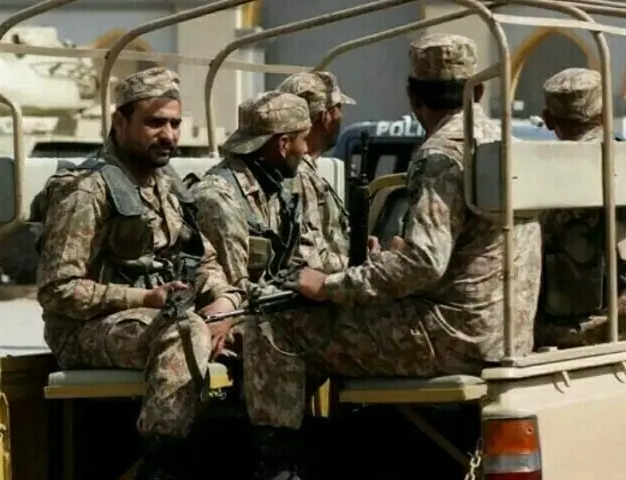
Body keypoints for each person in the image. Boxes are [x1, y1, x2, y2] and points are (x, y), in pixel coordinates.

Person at [237, 34, 543, 480]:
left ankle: (280, 469)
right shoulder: (505, 140)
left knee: (274, 326)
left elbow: (422, 263)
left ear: (412, 95)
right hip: (504, 329)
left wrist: (329, 286)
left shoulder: (442, 152)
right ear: (477, 90)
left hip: (451, 335)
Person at [34, 66, 244, 480]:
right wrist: (143, 299)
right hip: (86, 329)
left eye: (174, 123)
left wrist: (224, 301)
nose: (167, 134)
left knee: (272, 331)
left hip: (163, 313)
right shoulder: (87, 189)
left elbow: (202, 260)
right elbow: (57, 290)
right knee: (184, 334)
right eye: (154, 122)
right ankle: (160, 465)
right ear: (120, 121)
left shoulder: (167, 185)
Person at [190, 91, 312, 356]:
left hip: (259, 310)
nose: (306, 150)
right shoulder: (218, 198)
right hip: (228, 318)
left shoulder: (272, 188)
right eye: (304, 140)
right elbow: (235, 290)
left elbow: (289, 262)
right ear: (283, 144)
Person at [535, 67, 626, 348]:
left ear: (548, 120)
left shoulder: (545, 178)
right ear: (605, 112)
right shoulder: (620, 158)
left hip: (580, 332)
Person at [276, 71, 353, 272]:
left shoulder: (301, 171)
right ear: (325, 117)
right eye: (338, 108)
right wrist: (365, 262)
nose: (341, 116)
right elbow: (310, 259)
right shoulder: (299, 176)